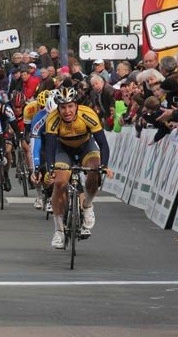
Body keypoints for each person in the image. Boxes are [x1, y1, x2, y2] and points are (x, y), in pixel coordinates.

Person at [44, 87, 113, 249]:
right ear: (58, 108)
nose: (67, 111)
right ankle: (59, 230)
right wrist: (50, 169)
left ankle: (87, 205)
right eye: (63, 107)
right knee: (60, 183)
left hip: (86, 147)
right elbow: (50, 148)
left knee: (95, 170)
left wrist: (104, 166)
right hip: (63, 150)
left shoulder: (87, 114)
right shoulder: (52, 119)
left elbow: (103, 143)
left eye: (70, 106)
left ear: (76, 105)